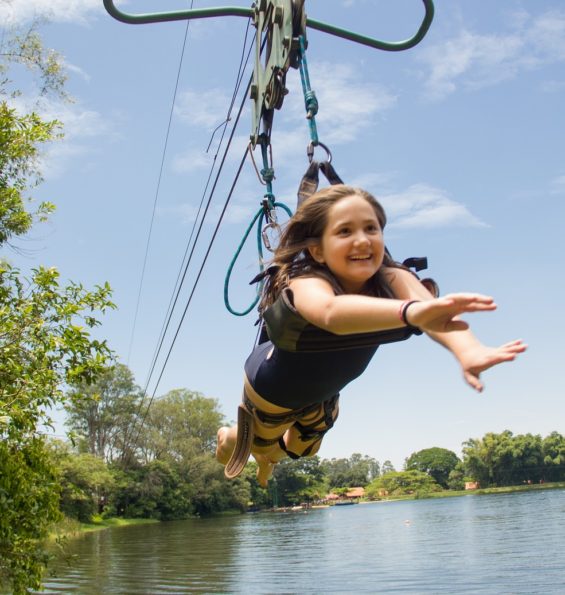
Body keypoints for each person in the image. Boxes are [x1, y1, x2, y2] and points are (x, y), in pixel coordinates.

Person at [216, 185, 526, 487]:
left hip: (324, 393)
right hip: (274, 389)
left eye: (371, 229)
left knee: (303, 449)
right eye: (345, 232)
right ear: (317, 250)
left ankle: (268, 461)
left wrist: (467, 351)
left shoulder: (392, 278)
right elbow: (331, 312)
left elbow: (435, 314)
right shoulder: (306, 281)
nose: (362, 240)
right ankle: (234, 439)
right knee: (258, 444)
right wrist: (409, 313)